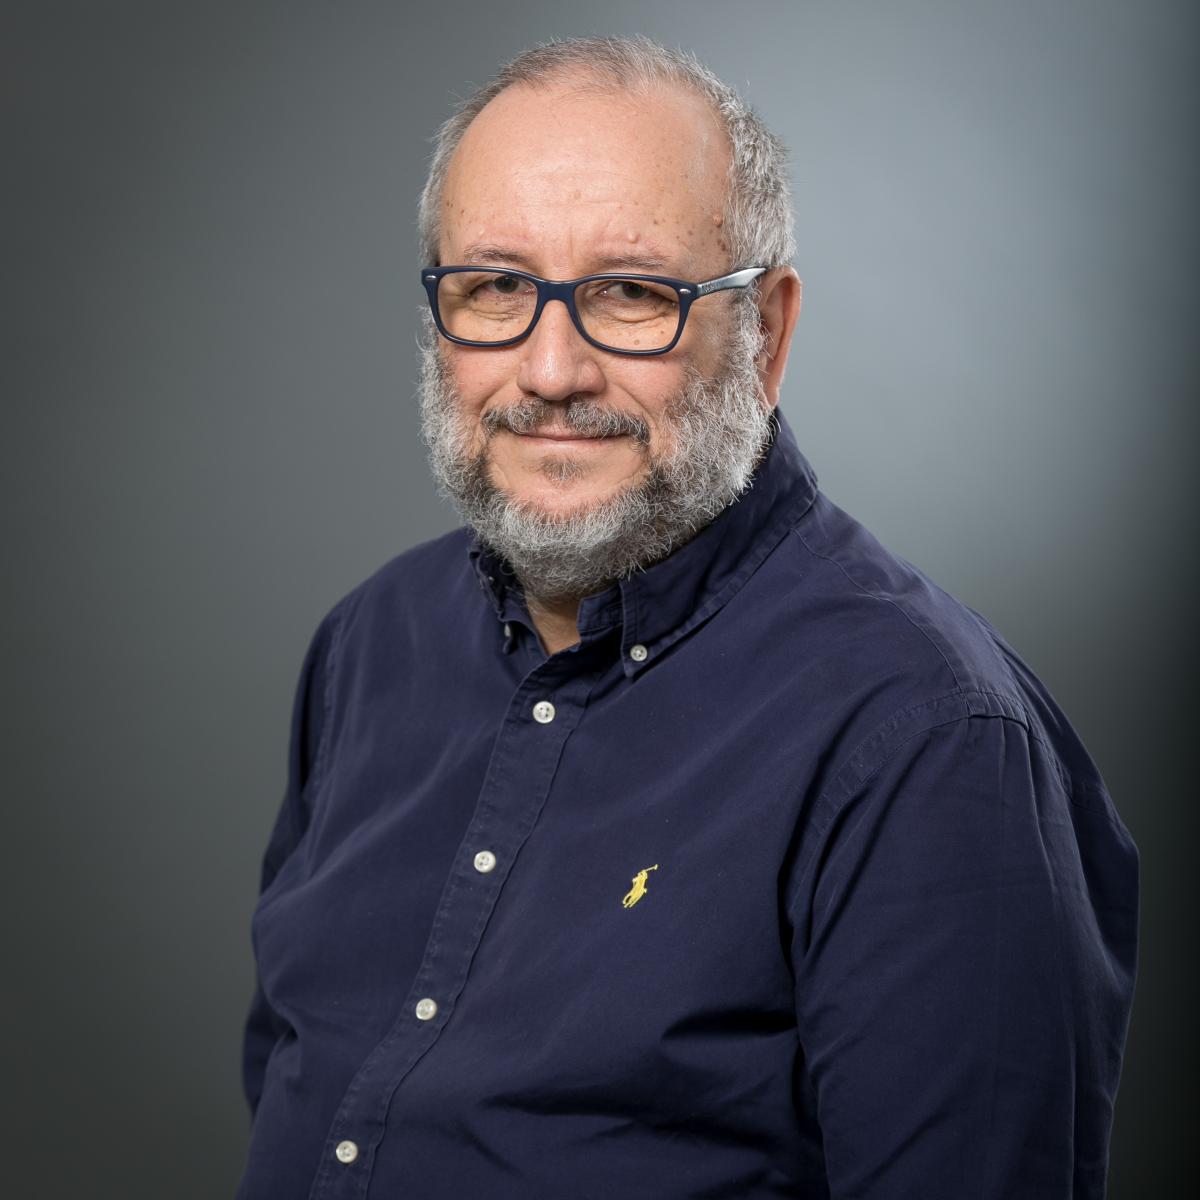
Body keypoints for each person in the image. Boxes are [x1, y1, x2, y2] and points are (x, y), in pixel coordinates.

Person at [236, 36, 1139, 1200]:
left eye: (630, 293)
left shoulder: (927, 742)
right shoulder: (368, 646)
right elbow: (299, 1081)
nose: (550, 370)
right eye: (495, 288)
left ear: (767, 332)